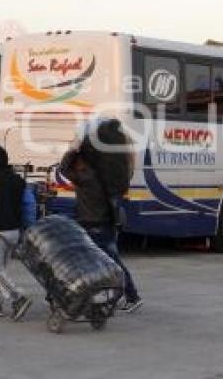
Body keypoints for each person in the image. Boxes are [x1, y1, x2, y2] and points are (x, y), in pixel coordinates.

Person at [58, 119, 142, 313]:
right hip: (106, 221)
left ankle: (78, 298)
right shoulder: (107, 171)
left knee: (79, 260)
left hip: (92, 222)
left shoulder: (87, 174)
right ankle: (129, 295)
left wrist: (74, 149)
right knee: (111, 261)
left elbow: (63, 168)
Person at [0, 146, 36, 320]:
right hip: (14, 232)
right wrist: (28, 226)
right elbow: (29, 205)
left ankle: (18, 298)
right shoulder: (18, 180)